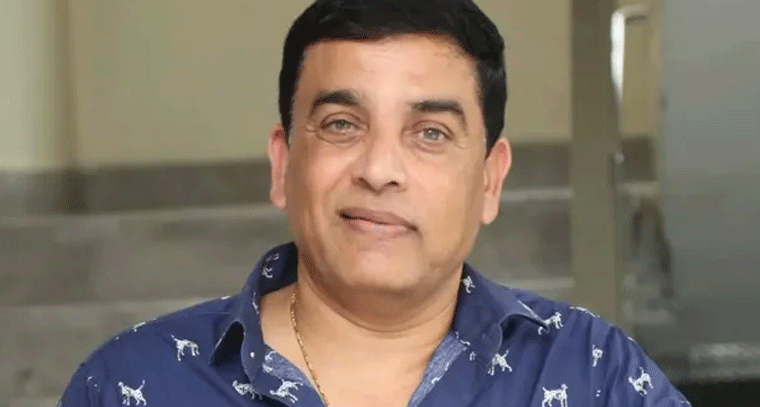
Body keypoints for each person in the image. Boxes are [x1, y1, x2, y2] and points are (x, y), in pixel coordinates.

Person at [59, 0, 691, 406]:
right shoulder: (131, 384)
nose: (380, 170)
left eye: (431, 133)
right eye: (341, 124)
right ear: (283, 165)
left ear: (490, 181)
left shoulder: (594, 374)